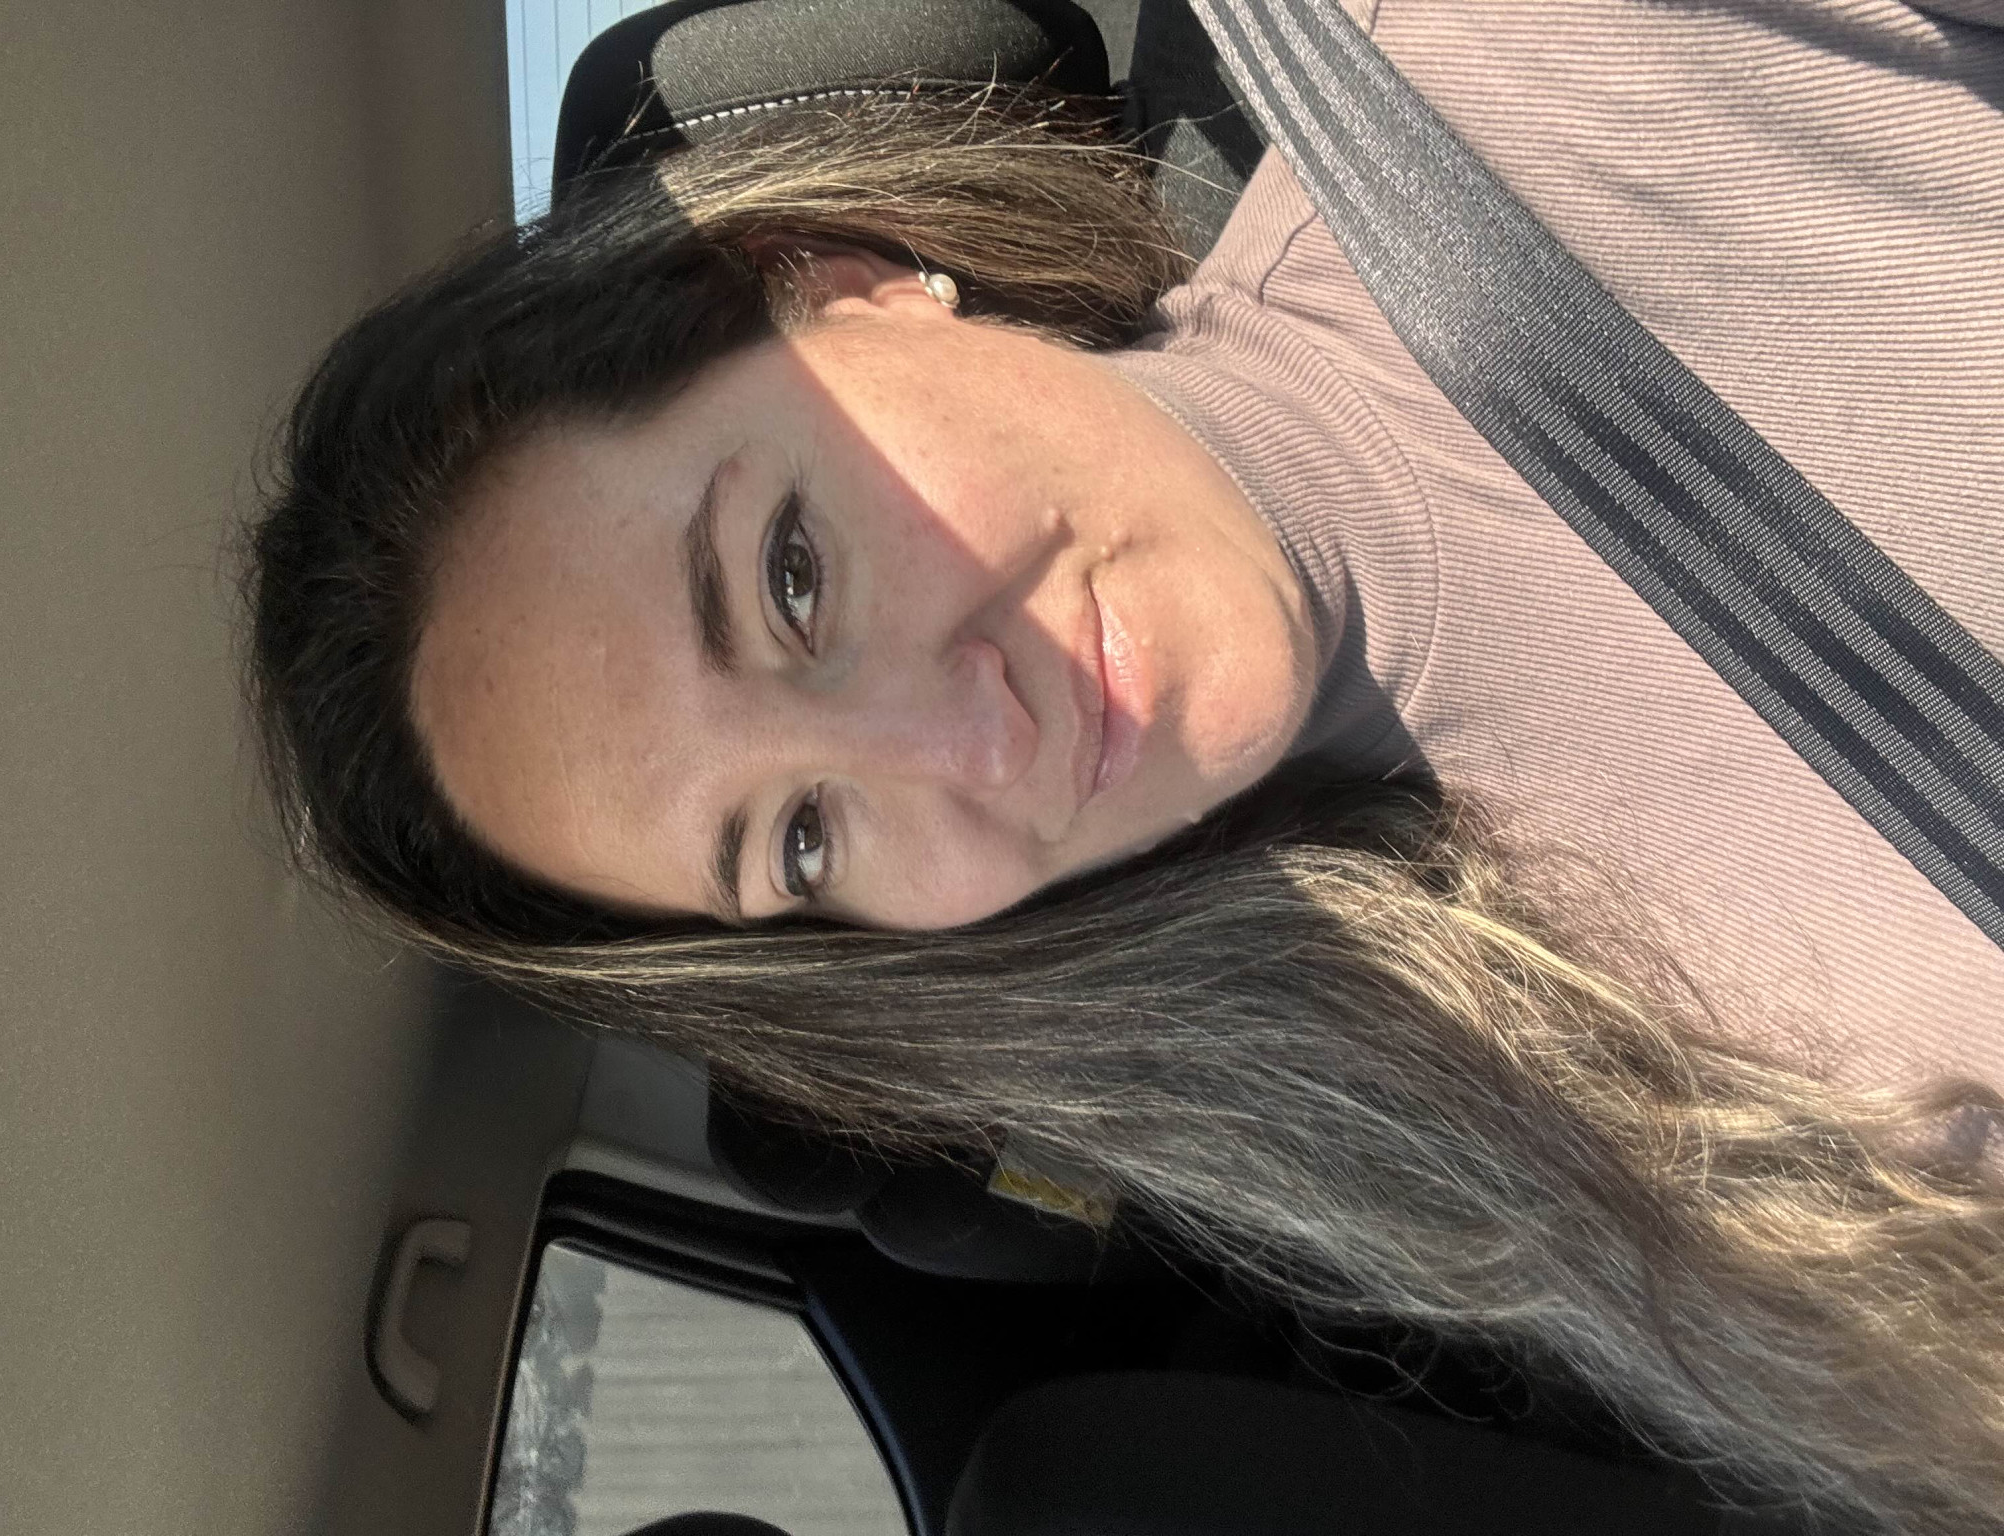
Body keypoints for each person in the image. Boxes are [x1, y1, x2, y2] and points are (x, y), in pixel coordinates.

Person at [244, 3, 2004, 1531]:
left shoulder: (1530, 51)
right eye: (801, 840)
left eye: (793, 575)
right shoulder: (1509, 1126)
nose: (964, 745)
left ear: (854, 290)